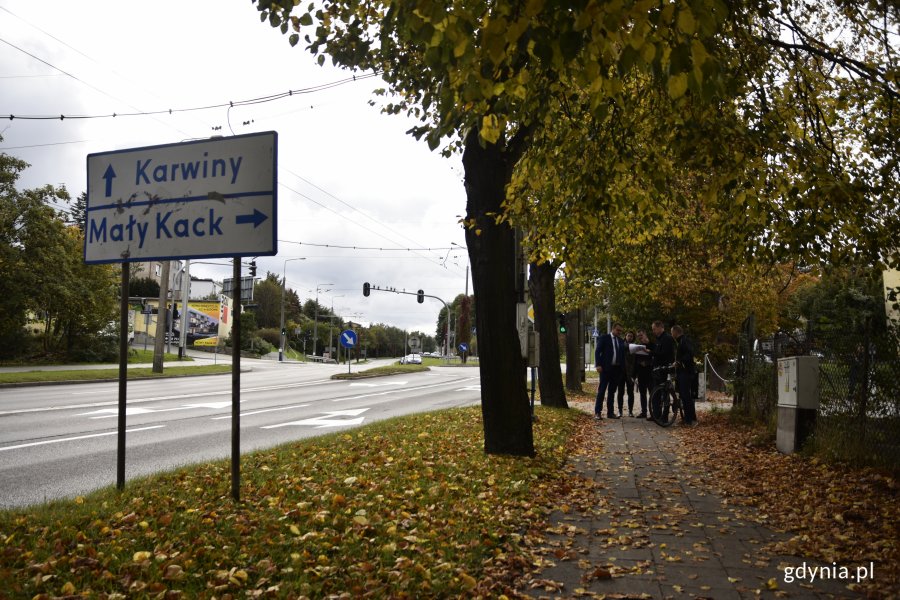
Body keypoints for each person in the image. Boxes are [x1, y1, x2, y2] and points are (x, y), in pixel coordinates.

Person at [594, 323, 626, 419]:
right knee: (602, 390)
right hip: (605, 369)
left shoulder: (620, 341)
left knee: (612, 392)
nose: (619, 332)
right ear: (613, 329)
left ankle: (610, 413)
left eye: (620, 331)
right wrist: (598, 365)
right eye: (618, 330)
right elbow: (597, 351)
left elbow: (622, 355)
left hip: (616, 370)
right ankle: (597, 412)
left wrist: (622, 369)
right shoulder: (604, 338)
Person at [647, 320, 675, 421]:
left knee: (664, 393)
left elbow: (664, 354)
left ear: (660, 327)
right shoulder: (658, 339)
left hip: (664, 369)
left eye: (654, 329)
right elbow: (657, 351)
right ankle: (656, 414)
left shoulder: (667, 338)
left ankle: (665, 416)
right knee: (656, 393)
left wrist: (651, 352)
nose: (653, 331)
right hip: (657, 369)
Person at [672, 325, 698, 426]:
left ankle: (690, 420)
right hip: (684, 372)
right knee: (685, 396)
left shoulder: (684, 341)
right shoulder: (682, 341)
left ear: (675, 332)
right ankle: (689, 419)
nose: (671, 334)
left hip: (685, 372)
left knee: (686, 396)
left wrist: (679, 362)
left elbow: (689, 354)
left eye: (672, 332)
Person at [633, 329, 653, 418]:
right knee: (642, 393)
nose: (640, 337)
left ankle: (653, 412)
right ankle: (644, 412)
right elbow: (636, 359)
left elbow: (655, 356)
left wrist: (647, 363)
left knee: (652, 392)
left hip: (650, 372)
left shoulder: (652, 344)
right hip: (641, 373)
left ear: (645, 334)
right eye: (638, 336)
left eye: (641, 335)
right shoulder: (638, 346)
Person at [618, 331, 637, 416]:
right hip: (621, 373)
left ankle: (630, 411)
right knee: (620, 392)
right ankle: (620, 411)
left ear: (633, 338)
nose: (629, 337)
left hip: (631, 373)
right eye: (628, 336)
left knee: (631, 393)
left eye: (631, 336)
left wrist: (635, 374)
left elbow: (636, 361)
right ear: (625, 336)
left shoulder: (635, 347)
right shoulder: (621, 345)